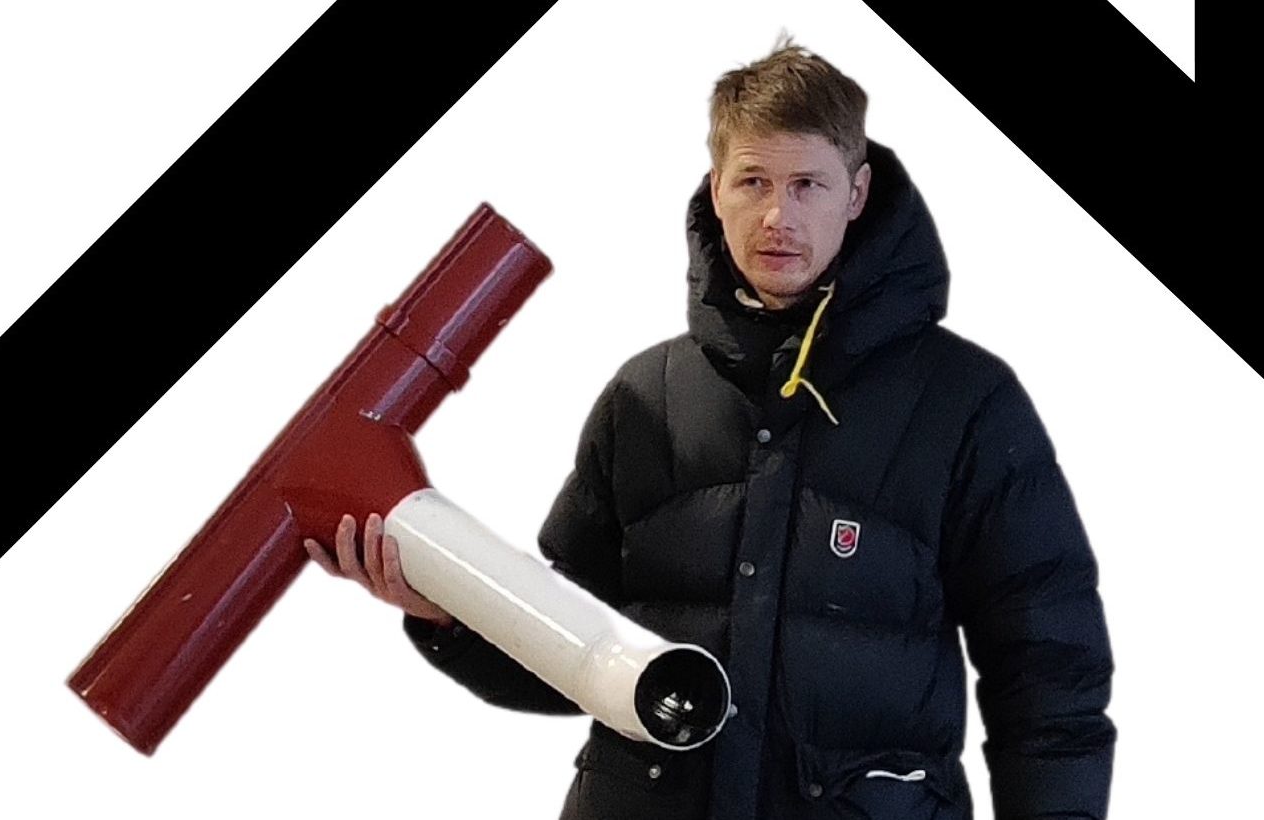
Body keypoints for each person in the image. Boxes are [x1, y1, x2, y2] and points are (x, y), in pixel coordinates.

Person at [303, 37, 1116, 820]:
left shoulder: (965, 404)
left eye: (808, 184)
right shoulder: (646, 397)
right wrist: (445, 612)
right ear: (715, 186)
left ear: (858, 193)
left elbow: (1050, 672)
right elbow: (569, 654)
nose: (778, 215)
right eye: (753, 181)